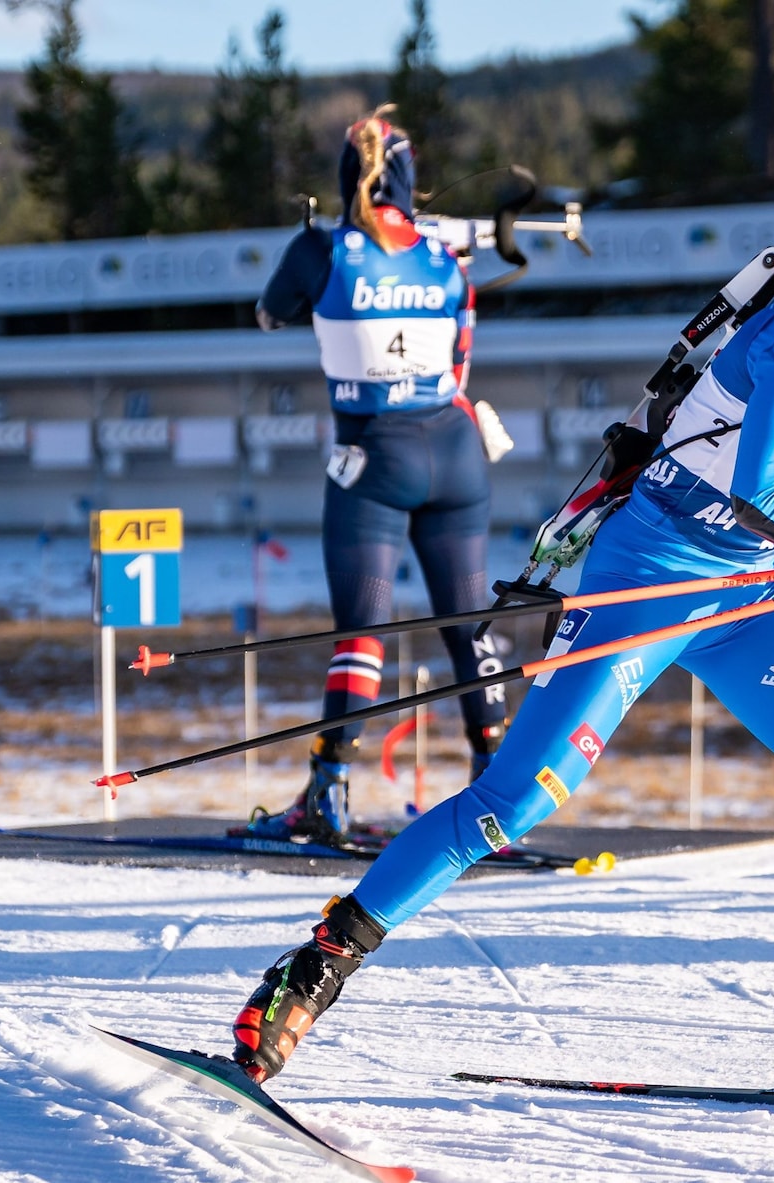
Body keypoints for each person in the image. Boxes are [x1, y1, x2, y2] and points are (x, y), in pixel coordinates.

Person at [230, 160, 774, 1096]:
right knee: (511, 805)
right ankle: (314, 965)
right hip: (654, 576)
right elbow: (765, 490)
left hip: (752, 596)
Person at [245, 107, 511, 841]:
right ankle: (502, 796)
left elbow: (269, 313)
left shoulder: (320, 248)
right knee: (468, 625)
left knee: (362, 633)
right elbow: (461, 354)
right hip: (454, 452)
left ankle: (328, 794)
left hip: (374, 456)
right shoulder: (444, 257)